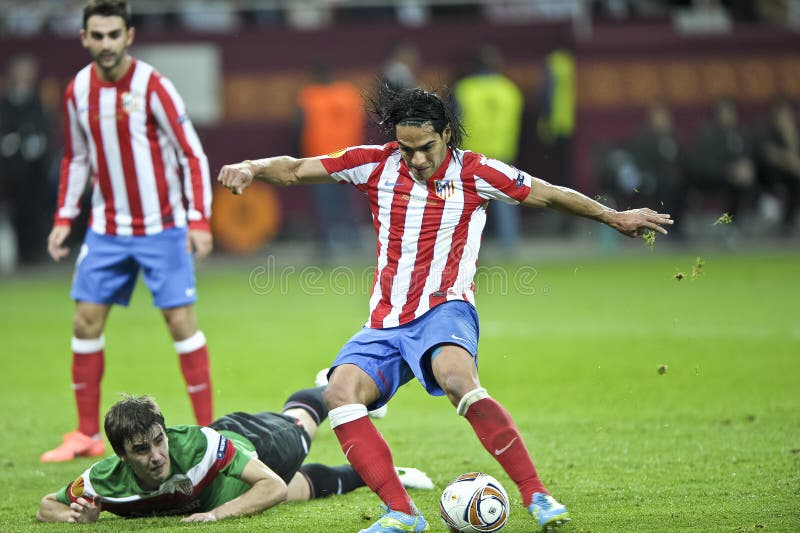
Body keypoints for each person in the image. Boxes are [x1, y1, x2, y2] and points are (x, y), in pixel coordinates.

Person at [217, 85, 673, 532]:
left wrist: (615, 217)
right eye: (406, 148)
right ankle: (402, 514)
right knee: (339, 392)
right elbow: (296, 170)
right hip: (385, 320)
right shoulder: (373, 164)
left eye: (426, 147)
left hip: (445, 309)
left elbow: (549, 193)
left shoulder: (476, 173)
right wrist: (251, 165)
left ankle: (537, 495)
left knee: (457, 379)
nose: (416, 159)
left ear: (447, 134)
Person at [42, 0, 214, 463]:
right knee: (84, 321)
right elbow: (75, 157)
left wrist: (198, 218)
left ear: (129, 36)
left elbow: (191, 155)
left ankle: (208, 432)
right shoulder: (77, 90)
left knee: (180, 324)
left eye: (113, 34)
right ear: (84, 38)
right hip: (107, 230)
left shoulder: (154, 86)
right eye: (96, 36)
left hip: (162, 228)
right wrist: (64, 218)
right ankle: (84, 434)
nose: (105, 44)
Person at [36, 385, 433, 523]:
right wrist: (78, 516)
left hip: (252, 442)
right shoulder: (105, 480)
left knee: (299, 427)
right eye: (142, 450)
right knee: (302, 490)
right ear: (122, 456)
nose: (157, 455)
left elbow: (270, 486)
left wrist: (216, 515)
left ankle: (337, 393)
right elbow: (45, 508)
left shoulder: (198, 446)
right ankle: (372, 474)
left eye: (159, 441)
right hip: (226, 483)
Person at [453, 45, 524, 256]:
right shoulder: (509, 89)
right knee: (507, 200)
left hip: (472, 154)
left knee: (470, 204)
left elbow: (455, 121)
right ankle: (509, 247)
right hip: (503, 150)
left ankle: (469, 248)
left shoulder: (464, 88)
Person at [292, 60, 367, 260]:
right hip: (347, 158)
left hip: (320, 159)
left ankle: (326, 245)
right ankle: (354, 241)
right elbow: (360, 122)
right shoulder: (349, 93)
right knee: (347, 201)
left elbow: (298, 126)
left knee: (324, 203)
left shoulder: (310, 96)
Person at [0, 53, 52, 266]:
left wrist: (36, 141)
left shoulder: (37, 99)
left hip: (36, 169)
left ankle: (37, 251)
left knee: (37, 211)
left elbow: (43, 127)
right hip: (15, 169)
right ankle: (22, 253)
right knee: (18, 211)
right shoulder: (6, 100)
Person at [687, 96, 757, 223]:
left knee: (746, 177)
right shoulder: (708, 133)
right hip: (709, 176)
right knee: (735, 179)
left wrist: (746, 166)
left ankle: (737, 221)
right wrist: (728, 170)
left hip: (734, 176)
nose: (730, 116)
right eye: (726, 112)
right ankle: (729, 222)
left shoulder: (739, 133)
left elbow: (746, 154)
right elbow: (704, 164)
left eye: (732, 112)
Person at [756, 96, 800, 236]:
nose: (785, 118)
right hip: (765, 176)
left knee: (796, 182)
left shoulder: (793, 132)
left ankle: (788, 224)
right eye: (782, 114)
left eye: (789, 114)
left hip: (789, 177)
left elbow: (794, 157)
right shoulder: (765, 129)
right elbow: (769, 154)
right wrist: (790, 161)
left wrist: (790, 137)